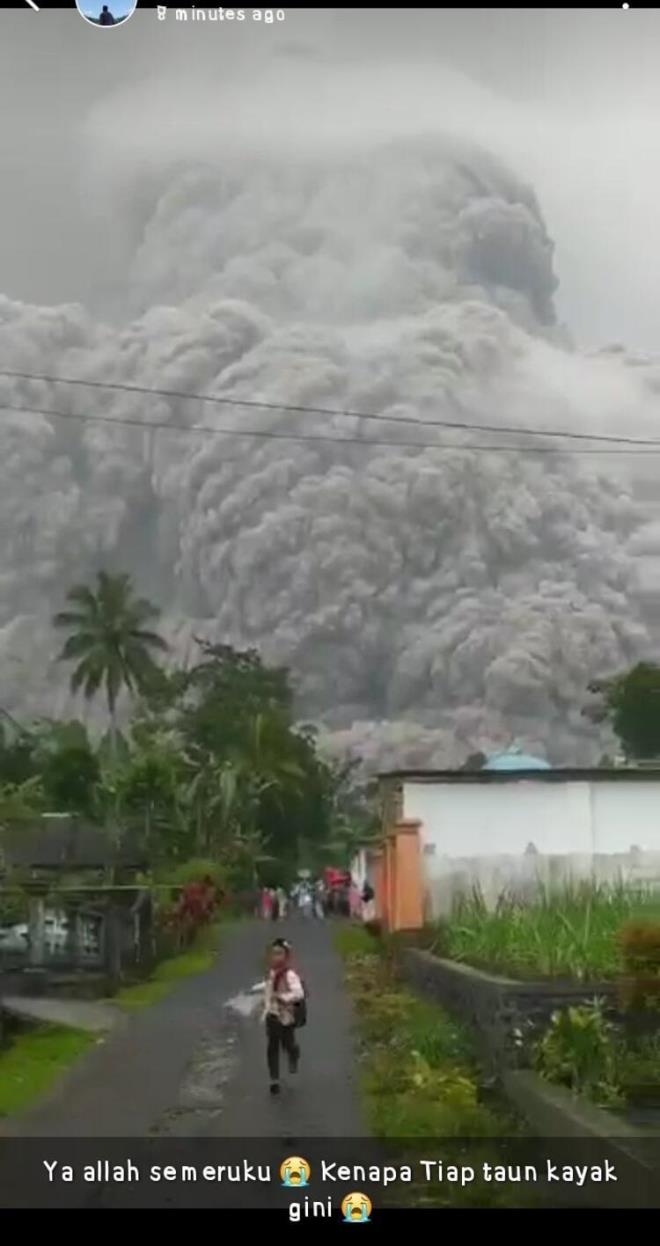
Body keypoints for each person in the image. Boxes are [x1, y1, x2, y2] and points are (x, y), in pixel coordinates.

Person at [263, 937, 304, 1096]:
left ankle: (294, 1052)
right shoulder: (270, 973)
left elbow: (299, 993)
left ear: (286, 956)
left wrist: (283, 997)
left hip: (286, 1016)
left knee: (287, 1043)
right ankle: (274, 1079)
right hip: (272, 1015)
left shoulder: (290, 974)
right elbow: (267, 991)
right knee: (272, 1046)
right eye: (273, 954)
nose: (276, 957)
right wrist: (266, 1005)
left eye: (280, 953)